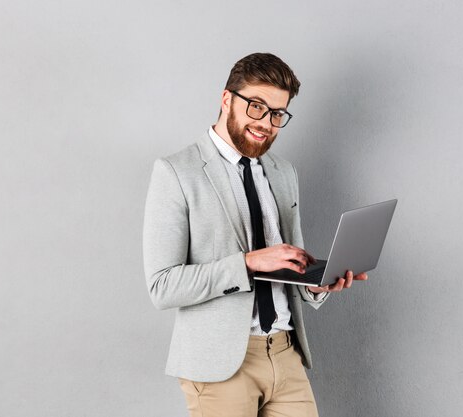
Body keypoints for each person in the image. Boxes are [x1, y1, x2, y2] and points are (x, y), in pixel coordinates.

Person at [143, 52, 368, 417]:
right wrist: (247, 264)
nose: (266, 123)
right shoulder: (176, 172)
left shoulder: (282, 172)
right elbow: (163, 286)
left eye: (277, 114)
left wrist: (314, 284)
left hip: (285, 353)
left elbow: (288, 260)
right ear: (227, 99)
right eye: (256, 107)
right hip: (219, 366)